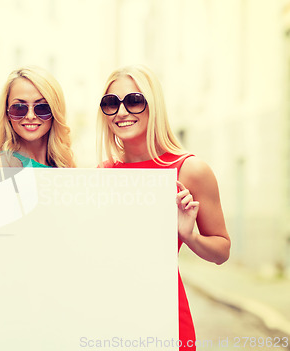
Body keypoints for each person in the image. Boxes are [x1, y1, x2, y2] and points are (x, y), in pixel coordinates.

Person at [97, 64, 231, 350]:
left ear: (153, 105)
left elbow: (222, 252)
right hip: (109, 315)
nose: (121, 112)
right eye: (111, 103)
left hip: (164, 316)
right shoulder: (103, 172)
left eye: (133, 100)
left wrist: (189, 235)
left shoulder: (189, 169)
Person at [0, 66, 76, 168]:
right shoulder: (4, 165)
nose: (30, 116)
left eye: (42, 107)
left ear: (55, 112)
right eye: (19, 108)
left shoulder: (63, 164)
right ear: (7, 113)